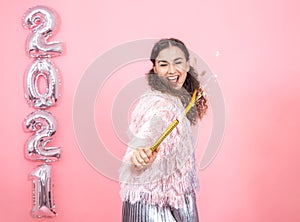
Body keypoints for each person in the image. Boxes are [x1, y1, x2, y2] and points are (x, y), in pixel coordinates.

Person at [119, 38, 208, 222]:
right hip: (150, 205)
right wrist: (139, 153)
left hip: (173, 199)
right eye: (163, 64)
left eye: (178, 62)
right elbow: (149, 131)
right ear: (155, 69)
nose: (172, 70)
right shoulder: (159, 104)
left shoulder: (178, 100)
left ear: (187, 65)